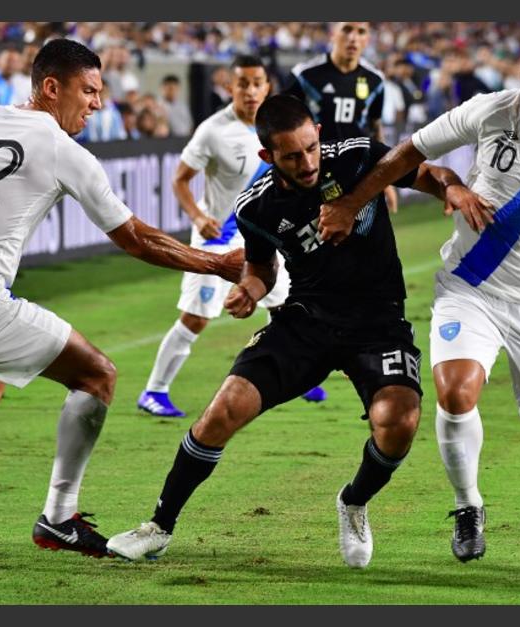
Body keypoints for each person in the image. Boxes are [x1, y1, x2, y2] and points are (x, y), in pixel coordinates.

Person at [0, 38, 243, 561]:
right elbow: (135, 239)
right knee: (97, 375)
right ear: (51, 88)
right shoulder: (61, 148)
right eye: (89, 90)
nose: (97, 103)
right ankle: (58, 518)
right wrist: (219, 264)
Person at [318, 34, 520, 578]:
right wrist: (350, 201)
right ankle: (468, 506)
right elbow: (410, 151)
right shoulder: (491, 110)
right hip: (472, 286)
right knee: (455, 391)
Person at [106, 94, 462, 568]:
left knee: (400, 420)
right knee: (224, 408)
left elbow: (425, 172)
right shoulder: (257, 206)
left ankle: (353, 501)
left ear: (318, 132)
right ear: (267, 156)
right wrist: (250, 290)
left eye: (312, 147)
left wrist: (452, 189)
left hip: (379, 322)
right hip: (306, 321)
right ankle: (159, 526)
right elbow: (262, 270)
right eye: (292, 156)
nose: (308, 161)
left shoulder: (355, 154)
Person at [138, 56, 326, 419]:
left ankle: (296, 374)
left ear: (268, 87)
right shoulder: (213, 130)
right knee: (196, 318)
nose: (251, 91)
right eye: (243, 84)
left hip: (261, 235)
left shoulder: (274, 129)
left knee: (283, 306)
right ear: (231, 87)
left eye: (258, 83)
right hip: (219, 238)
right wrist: (197, 215)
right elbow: (179, 178)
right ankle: (153, 391)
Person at [284, 22, 398, 213]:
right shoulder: (304, 75)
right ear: (333, 34)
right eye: (347, 29)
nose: (353, 37)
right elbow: (284, 126)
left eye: (361, 32)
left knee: (366, 239)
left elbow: (375, 127)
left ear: (367, 39)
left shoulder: (375, 79)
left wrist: (386, 180)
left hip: (359, 174)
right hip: (314, 173)